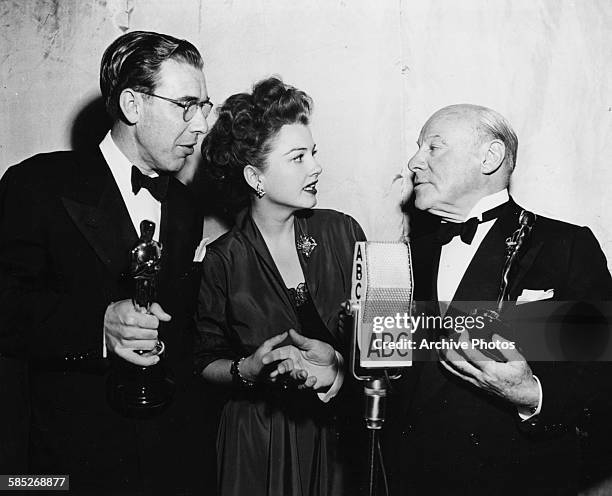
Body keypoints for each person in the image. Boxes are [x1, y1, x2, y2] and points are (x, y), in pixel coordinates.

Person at [0, 31, 217, 494]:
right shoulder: (35, 186)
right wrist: (97, 327)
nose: (200, 126)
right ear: (133, 106)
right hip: (62, 466)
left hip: (163, 464)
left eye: (204, 107)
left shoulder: (185, 207)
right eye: (186, 105)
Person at [387, 104, 612, 495]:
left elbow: (602, 376)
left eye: (433, 148)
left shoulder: (564, 246)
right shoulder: (405, 258)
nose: (413, 162)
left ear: (489, 157)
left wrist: (533, 395)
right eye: (418, 148)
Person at [195, 77, 366, 496]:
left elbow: (380, 347)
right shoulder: (222, 259)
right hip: (259, 440)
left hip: (341, 431)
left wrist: (341, 365)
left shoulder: (343, 232)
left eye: (313, 154)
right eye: (297, 157)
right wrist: (247, 370)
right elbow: (203, 361)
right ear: (256, 177)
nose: (316, 167)